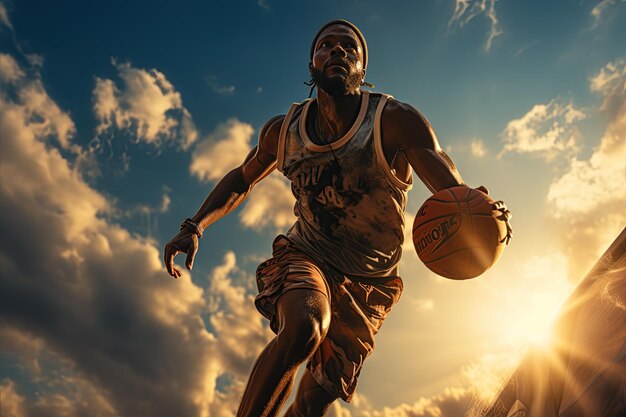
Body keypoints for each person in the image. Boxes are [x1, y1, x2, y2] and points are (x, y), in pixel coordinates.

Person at [163, 19, 511, 417]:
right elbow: (242, 178)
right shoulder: (283, 131)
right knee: (304, 328)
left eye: (349, 47)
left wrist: (482, 216)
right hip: (307, 254)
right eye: (326, 45)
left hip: (371, 281)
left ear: (363, 70)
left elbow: (453, 194)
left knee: (312, 403)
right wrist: (195, 225)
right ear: (312, 65)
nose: (338, 51)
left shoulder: (393, 120)